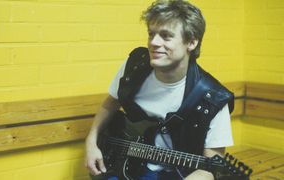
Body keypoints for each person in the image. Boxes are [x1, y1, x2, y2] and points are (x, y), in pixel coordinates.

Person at [85, 0, 234, 179]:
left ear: (192, 42)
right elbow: (109, 105)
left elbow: (210, 168)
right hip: (121, 165)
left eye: (165, 36)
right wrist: (91, 142)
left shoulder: (213, 98)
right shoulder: (135, 65)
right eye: (151, 34)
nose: (153, 42)